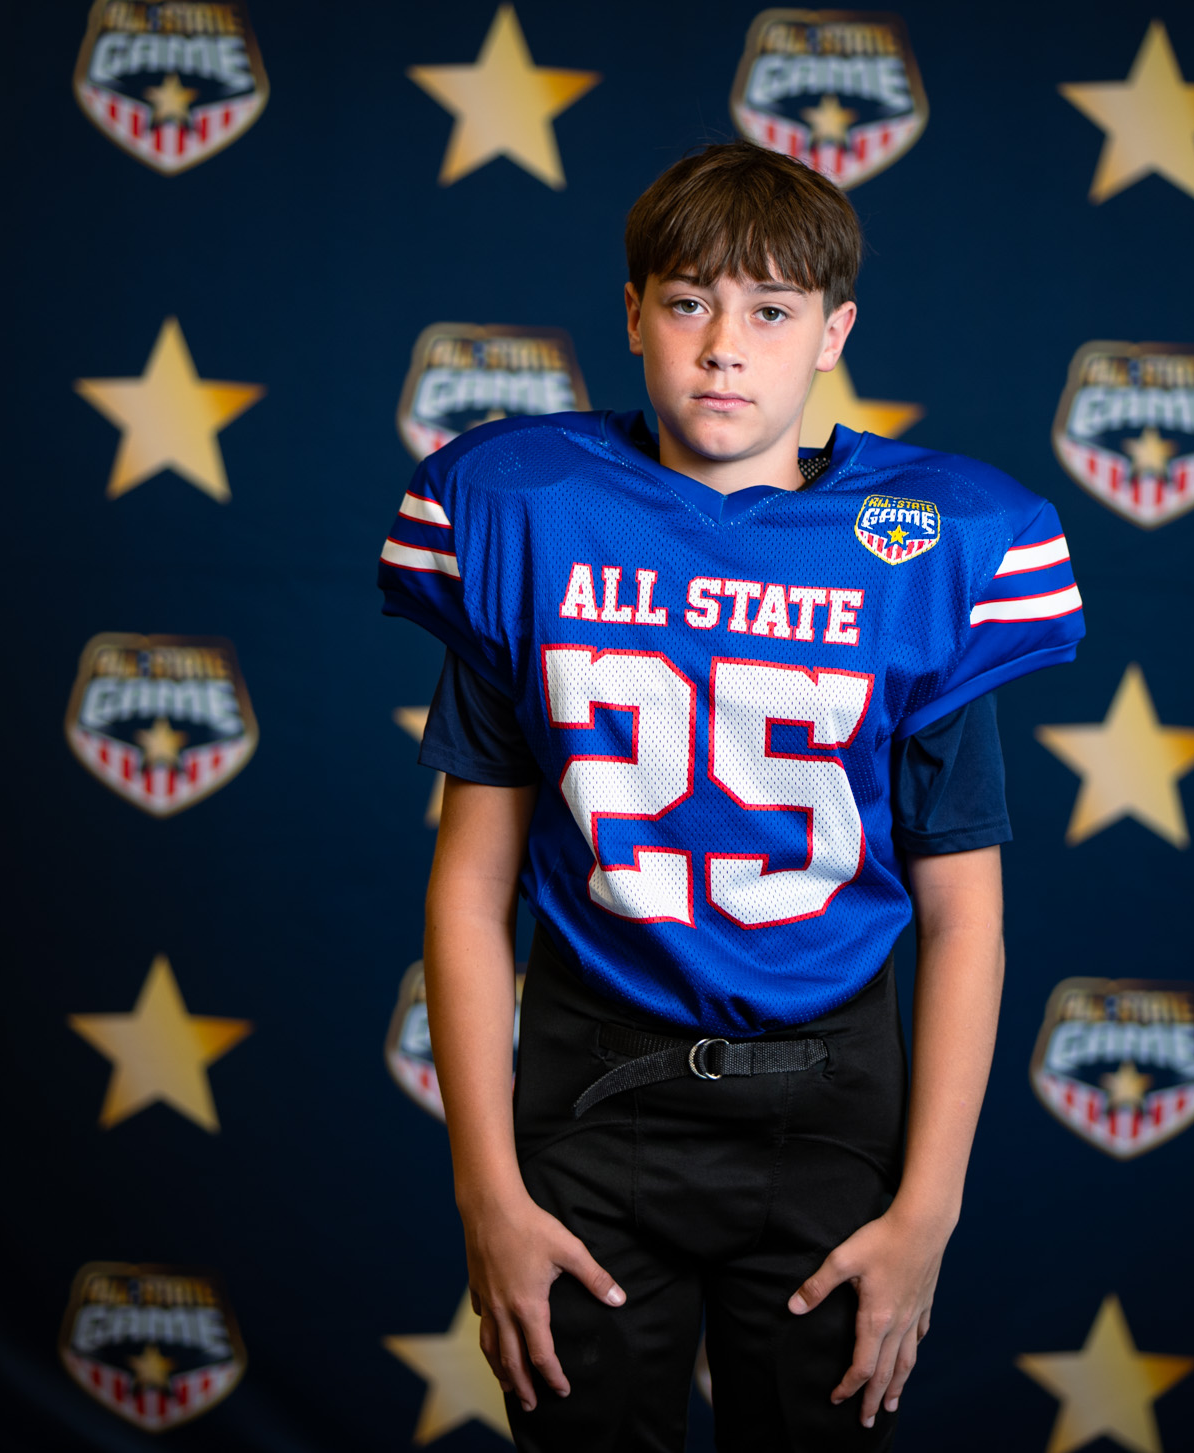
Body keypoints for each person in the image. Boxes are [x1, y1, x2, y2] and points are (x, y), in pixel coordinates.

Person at [377, 140, 1084, 1451]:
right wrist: (487, 1190)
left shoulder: (928, 545)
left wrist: (928, 1210)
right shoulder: (526, 508)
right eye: (690, 302)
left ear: (834, 334)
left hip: (831, 1103)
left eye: (771, 312)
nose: (723, 348)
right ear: (633, 313)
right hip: (594, 1093)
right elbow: (469, 891)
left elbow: (965, 918)